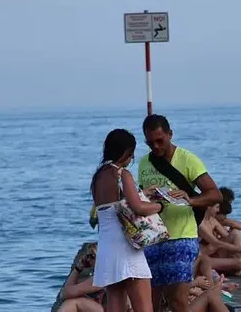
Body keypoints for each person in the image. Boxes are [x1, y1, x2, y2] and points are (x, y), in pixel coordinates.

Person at [138, 114, 223, 312]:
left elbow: (215, 194)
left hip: (181, 237)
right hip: (153, 238)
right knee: (150, 302)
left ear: (170, 134)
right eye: (150, 143)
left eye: (160, 140)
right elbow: (141, 199)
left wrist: (190, 199)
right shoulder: (144, 163)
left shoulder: (187, 159)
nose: (156, 146)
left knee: (178, 301)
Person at [90, 128, 164, 312]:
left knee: (115, 304)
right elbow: (138, 208)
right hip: (126, 247)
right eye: (131, 153)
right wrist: (160, 206)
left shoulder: (99, 176)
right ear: (125, 152)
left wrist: (142, 193)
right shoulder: (122, 174)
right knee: (144, 308)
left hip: (108, 249)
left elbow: (115, 204)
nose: (131, 158)